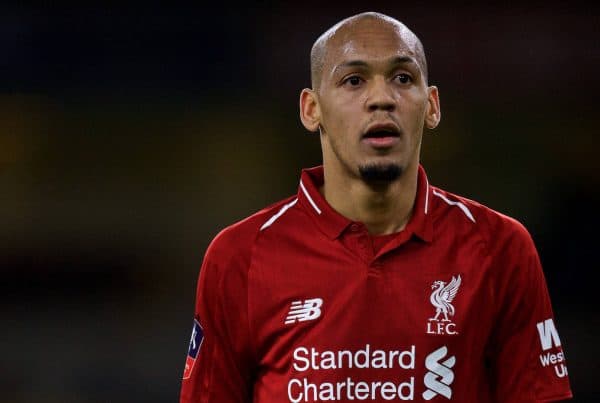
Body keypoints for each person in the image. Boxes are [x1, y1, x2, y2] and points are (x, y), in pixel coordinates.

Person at [180, 12, 573, 402]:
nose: (382, 99)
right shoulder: (238, 257)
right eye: (353, 81)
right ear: (311, 109)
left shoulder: (500, 247)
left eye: (403, 78)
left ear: (432, 105)